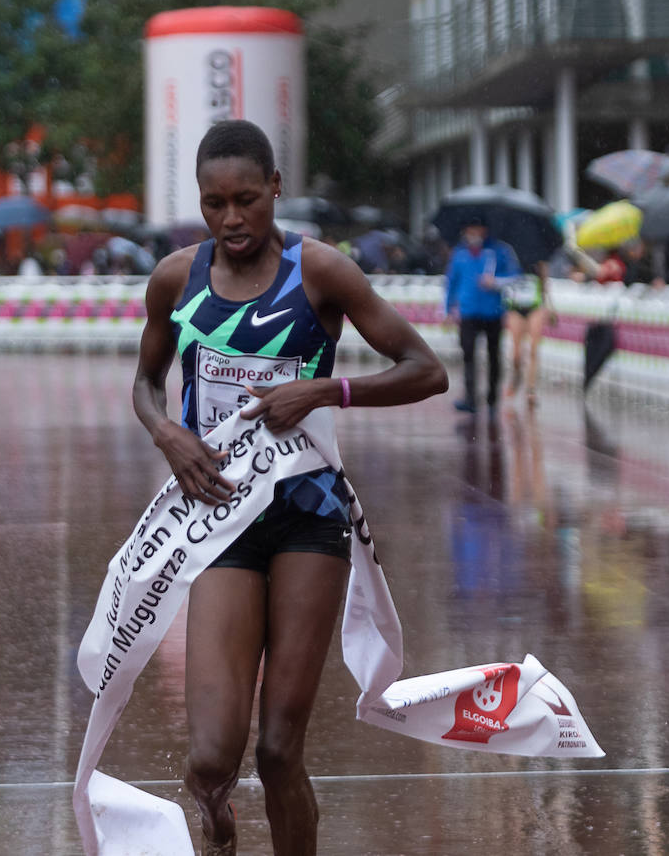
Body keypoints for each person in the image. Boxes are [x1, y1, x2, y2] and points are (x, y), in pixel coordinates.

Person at [132, 119, 447, 856]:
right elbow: (146, 381)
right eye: (214, 204)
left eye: (246, 199)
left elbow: (426, 370)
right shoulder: (176, 279)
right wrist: (167, 432)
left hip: (308, 517)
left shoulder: (321, 272)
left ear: (275, 188)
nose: (231, 219)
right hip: (220, 522)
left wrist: (327, 390)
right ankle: (218, 823)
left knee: (278, 750)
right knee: (211, 759)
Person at [444, 217, 511, 412]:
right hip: (468, 312)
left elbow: (514, 275)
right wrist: (448, 309)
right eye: (470, 230)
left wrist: (495, 282)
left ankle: (492, 398)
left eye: (477, 229)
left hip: (493, 312)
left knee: (493, 355)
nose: (473, 234)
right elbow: (451, 283)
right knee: (468, 355)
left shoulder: (499, 251)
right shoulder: (459, 254)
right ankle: (470, 397)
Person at [500, 240, 554, 407]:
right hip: (516, 308)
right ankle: (516, 377)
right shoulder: (509, 257)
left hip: (534, 307)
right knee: (516, 353)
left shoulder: (539, 260)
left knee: (533, 349)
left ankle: (531, 389)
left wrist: (550, 307)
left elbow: (545, 285)